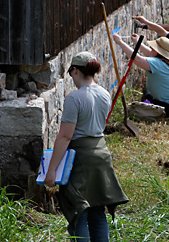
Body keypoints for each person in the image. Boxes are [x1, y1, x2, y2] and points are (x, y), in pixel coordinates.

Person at [45, 52, 128, 241]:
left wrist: (51, 171)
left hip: (81, 158)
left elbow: (65, 136)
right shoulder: (105, 94)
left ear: (74, 71)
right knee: (97, 210)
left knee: (78, 212)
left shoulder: (74, 99)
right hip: (102, 155)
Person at [113, 34, 169, 118]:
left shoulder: (156, 63)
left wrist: (120, 42)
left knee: (148, 99)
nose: (151, 49)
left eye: (152, 48)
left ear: (157, 52)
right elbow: (151, 54)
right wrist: (137, 42)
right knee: (149, 97)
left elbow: (137, 59)